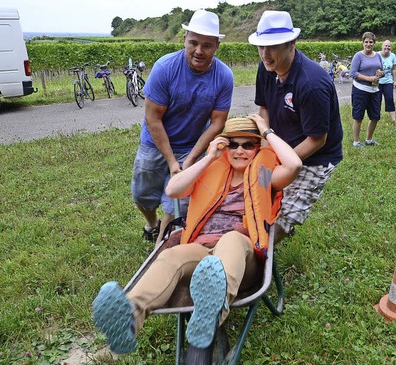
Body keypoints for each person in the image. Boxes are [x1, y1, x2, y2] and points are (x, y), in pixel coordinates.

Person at [93, 116, 302, 364]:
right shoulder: (212, 168)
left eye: (248, 145)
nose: (240, 150)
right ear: (224, 145)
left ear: (258, 148)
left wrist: (266, 131)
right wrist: (210, 156)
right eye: (233, 144)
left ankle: (213, 312)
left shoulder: (264, 175)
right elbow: (173, 189)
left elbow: (294, 165)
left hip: (241, 255)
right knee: (171, 256)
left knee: (232, 239)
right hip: (202, 249)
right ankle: (128, 318)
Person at [131, 10, 234, 244]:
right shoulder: (165, 68)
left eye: (207, 45)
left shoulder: (224, 76)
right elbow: (153, 118)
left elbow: (217, 122)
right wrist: (170, 161)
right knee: (142, 196)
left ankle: (160, 252)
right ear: (184, 39)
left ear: (217, 46)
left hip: (192, 146)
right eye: (194, 43)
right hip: (154, 144)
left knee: (176, 202)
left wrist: (189, 161)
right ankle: (152, 223)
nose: (199, 50)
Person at [248, 10, 344, 242]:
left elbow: (317, 139)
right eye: (261, 46)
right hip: (279, 145)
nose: (265, 54)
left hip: (314, 157)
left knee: (282, 219)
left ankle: (267, 248)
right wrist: (266, 153)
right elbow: (265, 109)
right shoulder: (266, 67)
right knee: (261, 192)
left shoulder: (312, 83)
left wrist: (284, 162)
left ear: (291, 43)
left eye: (272, 47)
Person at [349, 31, 385, 147]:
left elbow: (382, 70)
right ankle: (356, 141)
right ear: (363, 43)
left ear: (374, 43)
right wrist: (369, 78)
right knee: (358, 117)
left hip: (374, 91)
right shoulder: (358, 56)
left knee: (375, 116)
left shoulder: (378, 55)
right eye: (366, 42)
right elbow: (353, 73)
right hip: (360, 90)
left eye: (371, 42)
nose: (368, 44)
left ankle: (369, 140)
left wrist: (381, 74)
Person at [378, 40, 396, 125]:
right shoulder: (377, 55)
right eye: (385, 46)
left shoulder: (393, 56)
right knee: (377, 100)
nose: (387, 47)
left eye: (389, 46)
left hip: (388, 81)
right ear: (382, 47)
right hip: (378, 82)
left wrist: (395, 81)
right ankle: (376, 117)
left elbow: (394, 69)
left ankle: (393, 119)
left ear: (391, 48)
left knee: (389, 99)